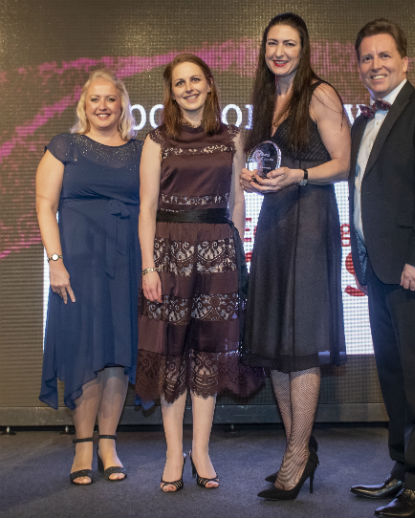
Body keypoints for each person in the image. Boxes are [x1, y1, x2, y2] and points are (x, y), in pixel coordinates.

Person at [135, 53, 263, 493]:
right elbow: (147, 209)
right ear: (170, 92)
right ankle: (174, 455)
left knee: (208, 355)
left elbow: (237, 202)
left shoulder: (232, 138)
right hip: (168, 255)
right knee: (172, 355)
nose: (188, 88)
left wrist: (236, 252)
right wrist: (148, 266)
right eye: (178, 83)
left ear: (209, 84)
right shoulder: (156, 140)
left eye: (195, 80)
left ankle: (202, 452)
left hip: (217, 256)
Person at [348, 19, 415, 518]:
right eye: (367, 58)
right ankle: (400, 471)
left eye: (384, 55)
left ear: (405, 61)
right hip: (379, 271)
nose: (375, 65)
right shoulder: (361, 121)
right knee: (393, 376)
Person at [240, 13, 350, 500]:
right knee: (279, 344)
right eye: (272, 43)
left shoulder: (320, 94)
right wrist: (250, 176)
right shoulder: (266, 98)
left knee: (301, 341)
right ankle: (298, 448)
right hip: (274, 223)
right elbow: (262, 156)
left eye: (288, 43)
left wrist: (301, 176)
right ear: (263, 50)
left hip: (309, 221)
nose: (279, 51)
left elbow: (345, 163)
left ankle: (297, 455)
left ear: (304, 49)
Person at [36, 69, 142, 485]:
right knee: (83, 351)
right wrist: (55, 261)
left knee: (117, 353)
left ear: (122, 105)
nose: (103, 106)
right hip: (77, 264)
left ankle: (108, 443)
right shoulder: (66, 146)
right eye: (95, 99)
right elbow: (45, 205)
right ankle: (82, 446)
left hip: (126, 263)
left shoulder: (139, 150)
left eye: (110, 99)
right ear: (84, 106)